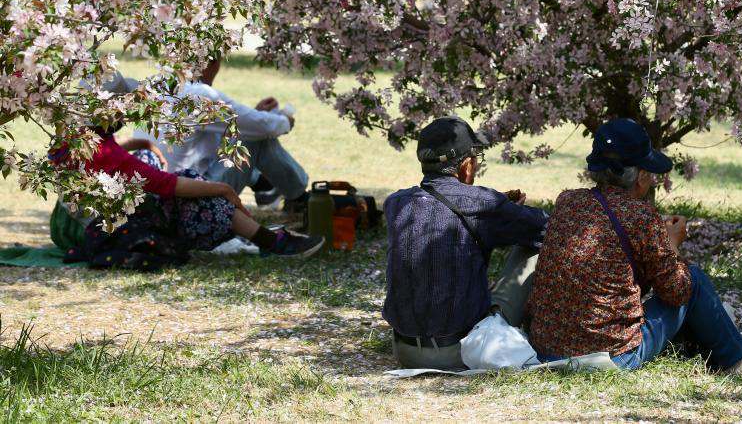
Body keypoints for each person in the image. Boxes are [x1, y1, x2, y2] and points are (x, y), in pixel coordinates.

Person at [527, 118, 742, 375]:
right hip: (611, 358)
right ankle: (738, 362)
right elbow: (677, 292)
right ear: (641, 176)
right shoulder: (641, 217)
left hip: (547, 350)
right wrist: (670, 245)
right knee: (695, 280)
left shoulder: (567, 201)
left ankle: (736, 348)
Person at [57, 72, 324, 270]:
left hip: (77, 225)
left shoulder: (71, 141)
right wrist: (221, 188)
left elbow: (113, 163)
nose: (126, 115)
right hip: (113, 231)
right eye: (122, 110)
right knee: (198, 193)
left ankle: (273, 205)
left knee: (185, 179)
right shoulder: (199, 96)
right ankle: (277, 235)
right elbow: (165, 184)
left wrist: (139, 143)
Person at [382, 116, 549, 370]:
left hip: (404, 351)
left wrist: (500, 209)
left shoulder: (396, 203)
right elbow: (544, 227)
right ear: (467, 166)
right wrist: (505, 211)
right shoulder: (483, 204)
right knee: (534, 246)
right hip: (462, 352)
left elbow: (444, 211)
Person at [142, 59, 311, 215]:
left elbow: (213, 136)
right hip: (188, 198)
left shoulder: (158, 86)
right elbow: (264, 127)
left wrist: (255, 115)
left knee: (246, 135)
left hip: (157, 192)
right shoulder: (200, 95)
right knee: (257, 137)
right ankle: (297, 197)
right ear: (213, 64)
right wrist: (285, 121)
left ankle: (264, 186)